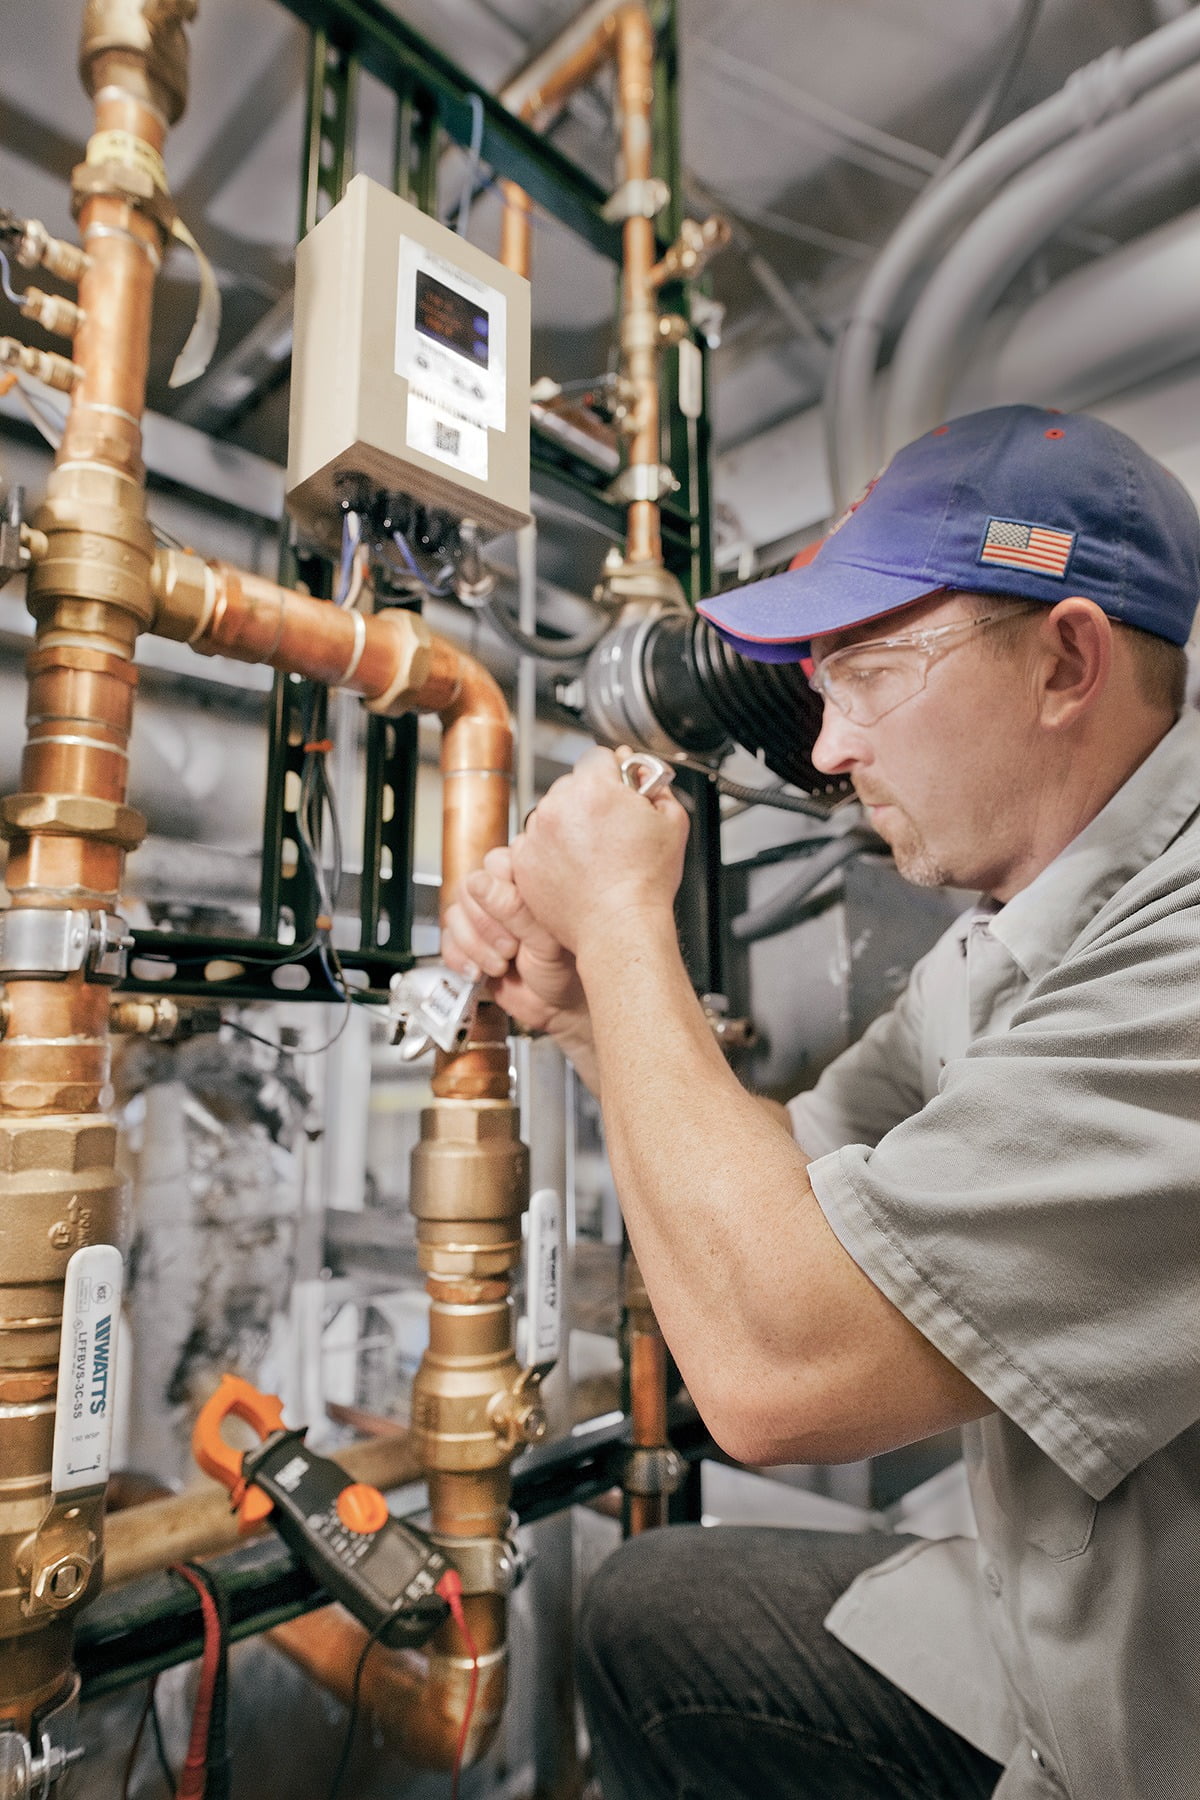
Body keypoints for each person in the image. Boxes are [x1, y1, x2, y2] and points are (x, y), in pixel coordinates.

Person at [442, 404, 1200, 1799]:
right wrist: (583, 1014)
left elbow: (778, 1370)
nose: (833, 749)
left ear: (1066, 661)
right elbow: (791, 1188)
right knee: (654, 1612)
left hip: (1154, 1739)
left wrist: (621, 921)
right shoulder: (1002, 943)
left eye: (869, 674)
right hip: (1048, 1654)